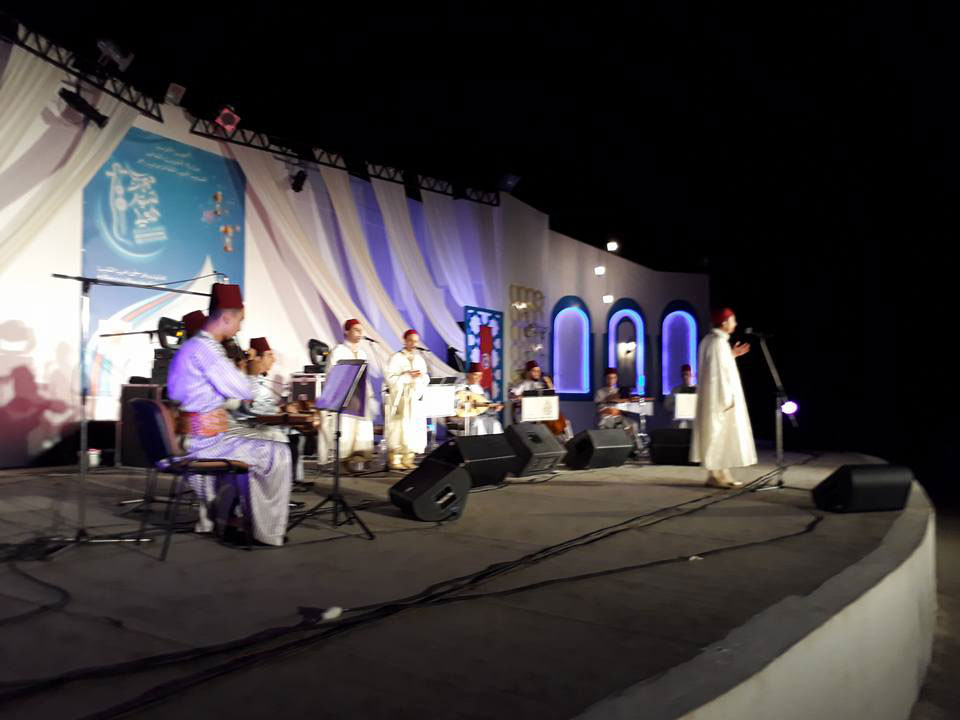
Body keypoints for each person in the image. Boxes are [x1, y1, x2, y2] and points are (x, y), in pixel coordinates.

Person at [167, 284, 292, 545]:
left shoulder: (190, 348)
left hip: (192, 437)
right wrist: (250, 373)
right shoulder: (208, 350)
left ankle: (231, 517)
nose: (239, 328)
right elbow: (242, 390)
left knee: (259, 446)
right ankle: (266, 532)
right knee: (278, 452)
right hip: (205, 442)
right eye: (239, 320)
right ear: (226, 317)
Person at [690, 308, 757, 488]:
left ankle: (722, 473)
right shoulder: (717, 343)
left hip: (717, 397)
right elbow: (716, 375)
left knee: (722, 436)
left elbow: (719, 366)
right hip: (720, 399)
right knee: (718, 434)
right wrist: (726, 398)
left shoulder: (713, 341)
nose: (735, 324)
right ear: (724, 322)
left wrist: (732, 355)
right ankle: (715, 475)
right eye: (733, 320)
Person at [322, 319, 377, 474]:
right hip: (345, 397)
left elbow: (365, 376)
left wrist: (368, 393)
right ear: (347, 331)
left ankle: (356, 461)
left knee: (360, 430)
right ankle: (341, 463)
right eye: (356, 330)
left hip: (360, 397)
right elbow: (331, 374)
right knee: (345, 429)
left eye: (361, 331)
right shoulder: (338, 351)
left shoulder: (362, 353)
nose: (360, 334)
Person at [385, 329, 430, 470]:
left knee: (413, 428)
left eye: (416, 341)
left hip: (414, 398)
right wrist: (407, 376)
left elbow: (426, 378)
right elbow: (390, 379)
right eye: (411, 340)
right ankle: (395, 459)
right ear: (405, 340)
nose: (414, 344)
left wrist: (420, 378)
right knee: (399, 427)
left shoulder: (419, 359)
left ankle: (408, 458)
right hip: (400, 398)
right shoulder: (396, 357)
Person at [509, 360, 573, 440]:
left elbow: (552, 397)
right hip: (528, 413)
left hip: (542, 413)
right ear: (528, 372)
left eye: (538, 371)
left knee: (565, 422)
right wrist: (519, 397)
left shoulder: (542, 383)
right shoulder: (523, 384)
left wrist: (549, 384)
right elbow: (512, 395)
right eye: (534, 371)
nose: (537, 373)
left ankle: (567, 440)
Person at [457, 362, 503, 435]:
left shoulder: (478, 388)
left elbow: (483, 404)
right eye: (476, 375)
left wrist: (492, 407)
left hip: (479, 415)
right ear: (469, 375)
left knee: (495, 423)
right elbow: (464, 404)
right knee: (478, 423)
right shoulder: (461, 386)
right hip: (465, 415)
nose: (479, 378)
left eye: (480, 375)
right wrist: (487, 405)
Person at [664, 363, 697, 428]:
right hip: (679, 423)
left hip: (693, 423)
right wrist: (678, 408)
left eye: (687, 374)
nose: (685, 377)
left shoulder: (697, 390)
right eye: (683, 375)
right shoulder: (676, 390)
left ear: (691, 375)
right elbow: (667, 405)